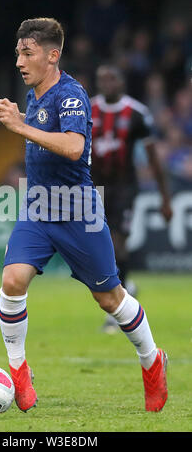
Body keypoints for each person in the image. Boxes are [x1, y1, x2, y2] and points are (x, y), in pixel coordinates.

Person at [0, 18, 168, 413]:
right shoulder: (35, 94)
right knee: (12, 280)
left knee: (111, 300)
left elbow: (71, 147)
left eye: (27, 52)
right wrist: (12, 113)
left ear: (53, 56)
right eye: (18, 52)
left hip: (77, 210)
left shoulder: (71, 95)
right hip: (37, 208)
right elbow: (37, 134)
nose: (19, 60)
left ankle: (152, 361)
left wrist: (19, 125)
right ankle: (19, 371)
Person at [90, 64, 172, 333]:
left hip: (125, 188)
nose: (107, 83)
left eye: (112, 78)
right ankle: (127, 287)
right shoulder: (88, 110)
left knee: (117, 244)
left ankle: (116, 311)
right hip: (96, 188)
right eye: (103, 79)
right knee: (99, 248)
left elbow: (152, 158)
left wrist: (165, 198)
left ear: (121, 82)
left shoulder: (136, 113)